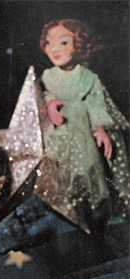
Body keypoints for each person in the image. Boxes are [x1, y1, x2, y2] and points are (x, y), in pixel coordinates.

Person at [39, 19, 130, 232]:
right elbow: (44, 97)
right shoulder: (48, 76)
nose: (55, 49)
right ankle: (66, 215)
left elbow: (96, 104)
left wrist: (100, 129)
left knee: (89, 170)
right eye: (49, 43)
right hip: (57, 135)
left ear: (79, 45)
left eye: (63, 42)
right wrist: (50, 105)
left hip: (83, 135)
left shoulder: (88, 77)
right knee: (58, 171)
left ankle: (94, 216)